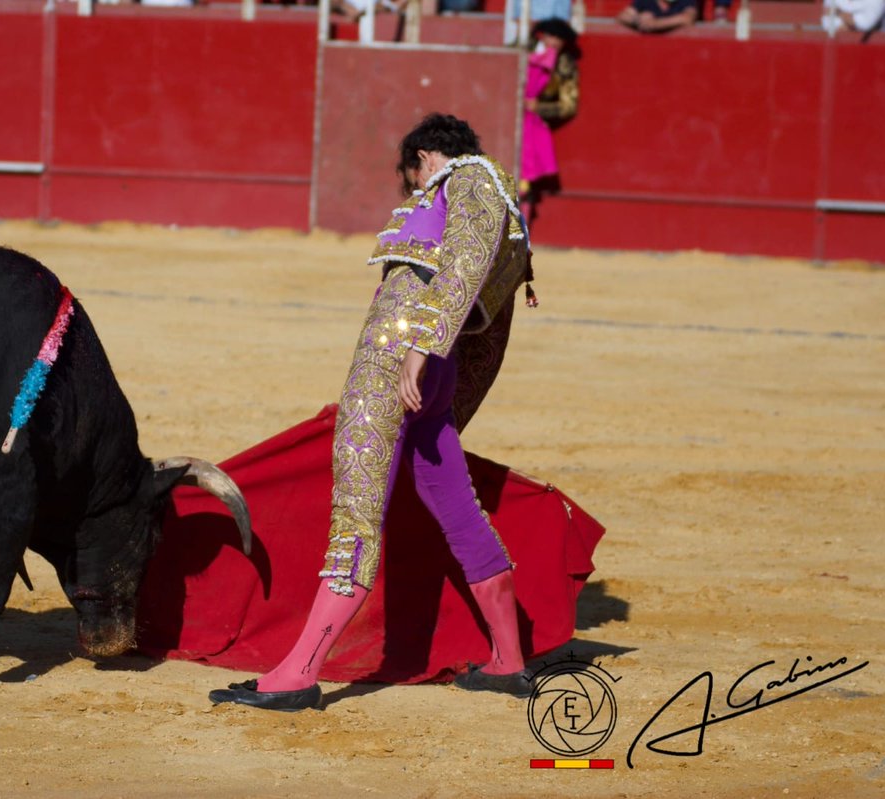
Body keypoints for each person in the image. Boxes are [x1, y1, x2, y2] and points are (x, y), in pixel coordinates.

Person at [209, 113, 537, 712]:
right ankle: (508, 659)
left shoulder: (469, 178)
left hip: (397, 361)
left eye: (411, 175)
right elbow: (491, 330)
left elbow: (462, 263)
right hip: (433, 373)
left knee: (357, 509)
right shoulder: (502, 204)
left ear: (425, 156)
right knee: (458, 510)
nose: (413, 188)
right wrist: (449, 384)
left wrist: (419, 348)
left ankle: (297, 674)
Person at [520, 17, 580, 227]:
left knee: (524, 180)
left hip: (532, 124)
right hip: (508, 116)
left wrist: (540, 108)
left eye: (559, 39)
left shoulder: (564, 64)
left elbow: (568, 105)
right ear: (542, 35)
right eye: (551, 36)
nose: (554, 42)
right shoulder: (521, 47)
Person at [616, 0, 698, 32]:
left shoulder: (685, 1)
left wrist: (655, 24)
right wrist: (638, 20)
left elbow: (687, 18)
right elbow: (622, 16)